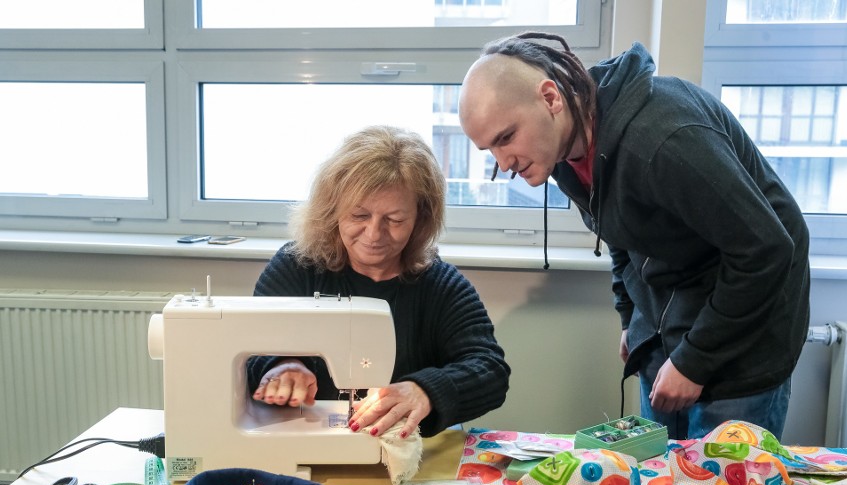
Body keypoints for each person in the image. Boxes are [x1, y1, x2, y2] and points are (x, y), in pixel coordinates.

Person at [458, 32, 810, 440]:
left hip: (745, 329)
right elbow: (619, 233)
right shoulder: (563, 152)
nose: (506, 163)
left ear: (551, 98)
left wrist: (694, 361)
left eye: (506, 137)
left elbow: (766, 249)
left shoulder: (663, 141)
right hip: (670, 324)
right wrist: (631, 316)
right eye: (490, 151)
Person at [247, 125, 510, 440]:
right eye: (359, 215)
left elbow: (490, 370)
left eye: (395, 220)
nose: (374, 235)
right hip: (307, 446)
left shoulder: (441, 287)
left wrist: (425, 391)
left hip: (407, 455)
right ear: (333, 209)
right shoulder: (297, 268)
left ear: (420, 219)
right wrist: (281, 365)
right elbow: (250, 349)